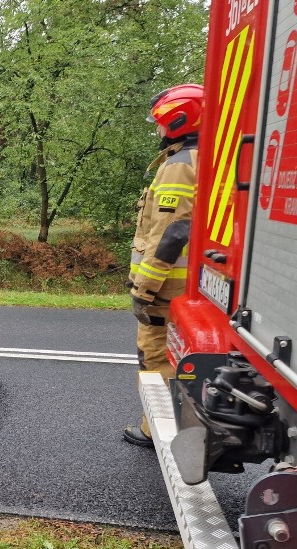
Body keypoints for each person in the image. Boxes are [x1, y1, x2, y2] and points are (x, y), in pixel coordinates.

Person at [123, 84, 203, 447]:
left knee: (156, 359)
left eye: (160, 123)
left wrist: (144, 289)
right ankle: (160, 426)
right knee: (175, 359)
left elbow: (170, 234)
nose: (157, 130)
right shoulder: (200, 160)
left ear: (177, 120)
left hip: (165, 289)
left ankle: (158, 431)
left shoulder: (178, 167)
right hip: (184, 287)